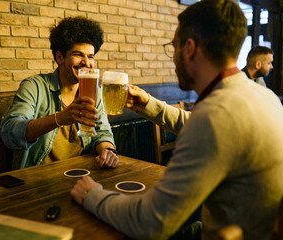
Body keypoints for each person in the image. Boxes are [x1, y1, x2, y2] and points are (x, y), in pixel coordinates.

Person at [70, 1, 283, 239]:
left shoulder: (215, 115)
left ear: (189, 48)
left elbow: (151, 222)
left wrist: (92, 195)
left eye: (174, 45)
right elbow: (201, 125)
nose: (172, 56)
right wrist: (148, 105)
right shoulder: (265, 98)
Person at [0, 17, 118, 170]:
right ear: (60, 57)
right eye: (78, 54)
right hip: (38, 179)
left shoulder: (95, 90)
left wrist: (106, 151)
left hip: (82, 174)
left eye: (90, 56)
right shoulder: (34, 86)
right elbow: (10, 132)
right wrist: (60, 118)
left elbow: (102, 132)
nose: (86, 63)